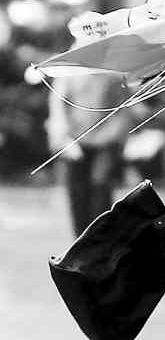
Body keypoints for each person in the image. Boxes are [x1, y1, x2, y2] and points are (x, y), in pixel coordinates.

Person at [47, 70, 132, 237]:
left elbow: (122, 113)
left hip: (105, 144)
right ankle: (81, 240)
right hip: (74, 144)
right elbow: (58, 112)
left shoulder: (114, 79)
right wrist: (64, 140)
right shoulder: (67, 78)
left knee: (100, 188)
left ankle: (101, 238)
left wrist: (106, 138)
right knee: (78, 193)